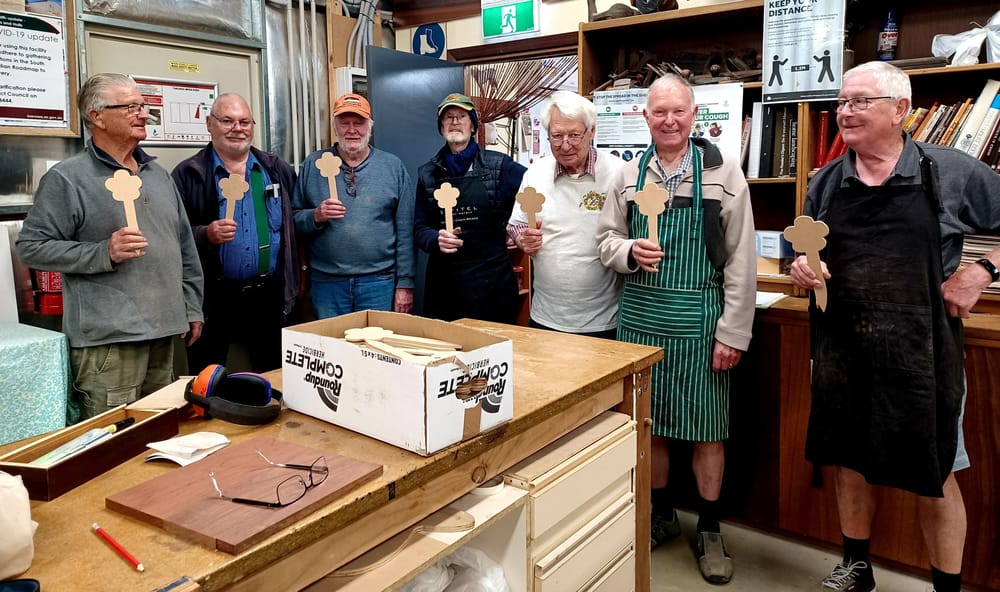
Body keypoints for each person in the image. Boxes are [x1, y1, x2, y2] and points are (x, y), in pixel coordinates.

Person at [789, 61, 1000, 592]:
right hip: (843, 350)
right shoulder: (825, 182)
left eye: (860, 101)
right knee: (848, 461)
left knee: (936, 473)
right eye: (842, 102)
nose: (845, 112)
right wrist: (802, 268)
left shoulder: (950, 171)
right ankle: (857, 568)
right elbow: (807, 251)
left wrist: (981, 271)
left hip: (923, 355)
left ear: (900, 109)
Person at [597, 74, 756, 584]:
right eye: (659, 112)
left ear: (694, 115)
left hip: (700, 321)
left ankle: (709, 527)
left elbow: (742, 259)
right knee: (652, 425)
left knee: (708, 430)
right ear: (645, 117)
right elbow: (605, 240)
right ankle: (662, 514)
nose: (669, 121)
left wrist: (733, 333)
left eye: (678, 111)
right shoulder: (628, 174)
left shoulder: (723, 172)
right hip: (640, 319)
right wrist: (628, 251)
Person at [16, 73, 204, 420]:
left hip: (166, 333)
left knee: (161, 431)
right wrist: (103, 252)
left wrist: (192, 306)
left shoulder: (157, 175)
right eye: (131, 107)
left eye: (143, 106)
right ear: (97, 117)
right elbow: (32, 247)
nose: (144, 114)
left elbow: (184, 247)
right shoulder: (67, 178)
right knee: (110, 439)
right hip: (109, 342)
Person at [171, 92, 298, 373]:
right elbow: (171, 235)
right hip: (213, 297)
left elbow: (295, 222)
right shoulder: (188, 174)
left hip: (268, 294)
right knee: (207, 376)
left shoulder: (275, 170)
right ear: (209, 124)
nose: (237, 128)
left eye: (244, 122)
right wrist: (205, 233)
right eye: (227, 121)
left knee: (274, 376)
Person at [507, 91, 624, 338]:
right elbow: (516, 225)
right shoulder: (535, 174)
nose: (565, 145)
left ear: (591, 132)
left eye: (574, 135)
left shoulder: (618, 173)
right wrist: (522, 238)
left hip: (605, 321)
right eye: (557, 136)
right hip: (545, 317)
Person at [292, 93, 415, 318]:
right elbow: (293, 221)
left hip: (379, 281)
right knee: (331, 340)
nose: (351, 130)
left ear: (370, 127)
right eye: (344, 123)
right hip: (327, 283)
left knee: (375, 341)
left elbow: (406, 231)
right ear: (335, 127)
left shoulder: (392, 167)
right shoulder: (313, 165)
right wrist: (315, 216)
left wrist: (405, 283)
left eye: (359, 123)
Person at [414, 93, 526, 323]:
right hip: (445, 287)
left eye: (462, 116)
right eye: (448, 117)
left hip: (492, 284)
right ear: (441, 126)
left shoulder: (500, 166)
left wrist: (515, 228)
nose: (455, 122)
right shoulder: (427, 173)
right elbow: (419, 228)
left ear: (473, 125)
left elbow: (534, 188)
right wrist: (435, 239)